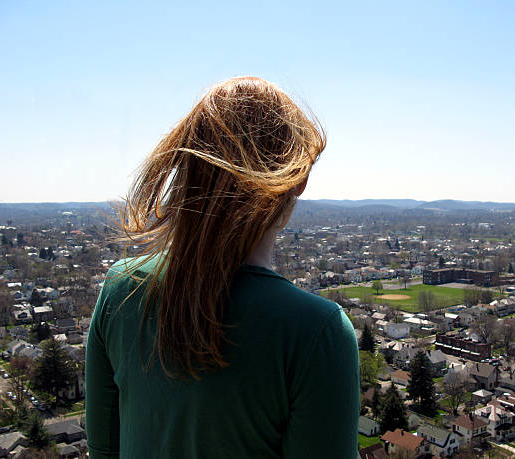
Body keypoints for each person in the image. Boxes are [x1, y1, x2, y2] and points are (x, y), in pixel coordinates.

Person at [85, 77, 360, 458]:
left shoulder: (121, 290)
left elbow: (102, 450)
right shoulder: (315, 332)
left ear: (187, 169)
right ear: (298, 182)